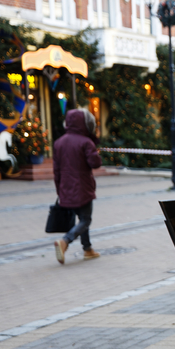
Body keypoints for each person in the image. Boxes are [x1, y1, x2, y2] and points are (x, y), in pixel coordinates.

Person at [53, 109, 102, 264]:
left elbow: (56, 169)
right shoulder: (86, 142)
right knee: (86, 220)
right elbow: (95, 163)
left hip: (66, 187)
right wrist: (95, 151)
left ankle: (87, 249)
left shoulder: (59, 142)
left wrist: (59, 189)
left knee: (81, 219)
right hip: (83, 186)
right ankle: (65, 241)